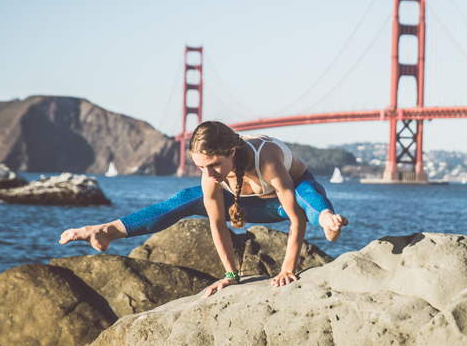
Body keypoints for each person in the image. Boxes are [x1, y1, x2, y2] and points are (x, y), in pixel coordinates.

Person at [60, 121, 348, 296]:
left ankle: (327, 220)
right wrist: (231, 275)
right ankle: (109, 230)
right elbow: (217, 224)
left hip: (294, 204)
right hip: (255, 207)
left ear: (232, 152)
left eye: (214, 165)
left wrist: (286, 270)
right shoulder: (209, 174)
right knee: (188, 196)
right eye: (201, 166)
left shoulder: (267, 159)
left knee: (305, 193)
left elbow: (295, 218)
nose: (209, 173)